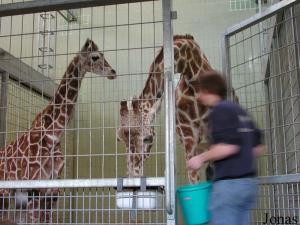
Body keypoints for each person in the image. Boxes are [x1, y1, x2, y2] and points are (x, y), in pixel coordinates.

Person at [187, 70, 264, 225]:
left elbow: (228, 147)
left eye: (200, 91)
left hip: (229, 186)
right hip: (248, 185)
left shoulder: (220, 110)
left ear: (209, 90)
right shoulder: (240, 111)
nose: (198, 96)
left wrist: (200, 158)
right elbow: (258, 147)